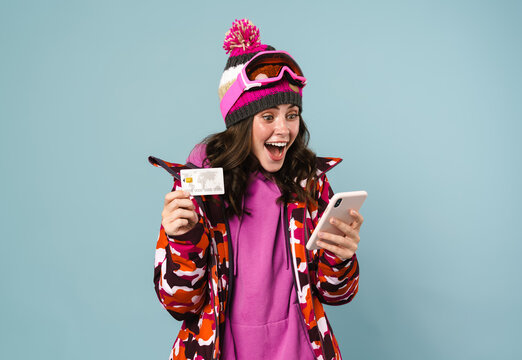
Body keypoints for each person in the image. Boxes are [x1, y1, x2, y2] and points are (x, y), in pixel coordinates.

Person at [151, 19, 364, 360]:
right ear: (240, 123)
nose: (283, 129)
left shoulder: (310, 183)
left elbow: (336, 294)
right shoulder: (197, 187)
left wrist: (341, 257)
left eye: (291, 114)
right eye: (268, 116)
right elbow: (178, 302)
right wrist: (184, 241)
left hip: (299, 349)